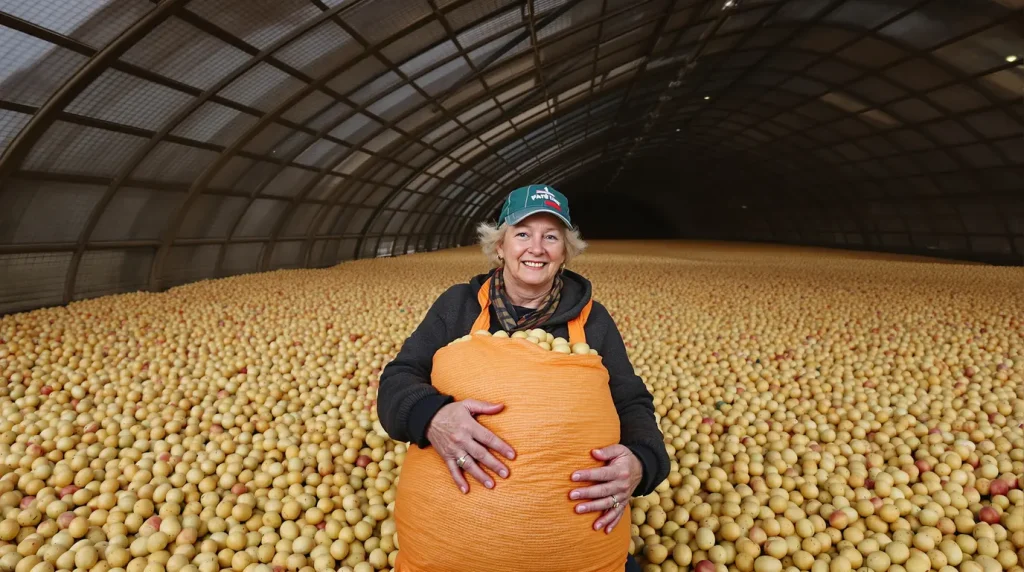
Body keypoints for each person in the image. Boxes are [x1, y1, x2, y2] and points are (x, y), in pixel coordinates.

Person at [377, 184, 670, 571]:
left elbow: (631, 402)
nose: (537, 248)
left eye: (551, 236)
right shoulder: (459, 306)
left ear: (565, 251)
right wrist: (432, 416)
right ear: (500, 246)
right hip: (458, 534)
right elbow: (397, 381)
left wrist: (642, 461)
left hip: (570, 536)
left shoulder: (593, 322)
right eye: (522, 234)